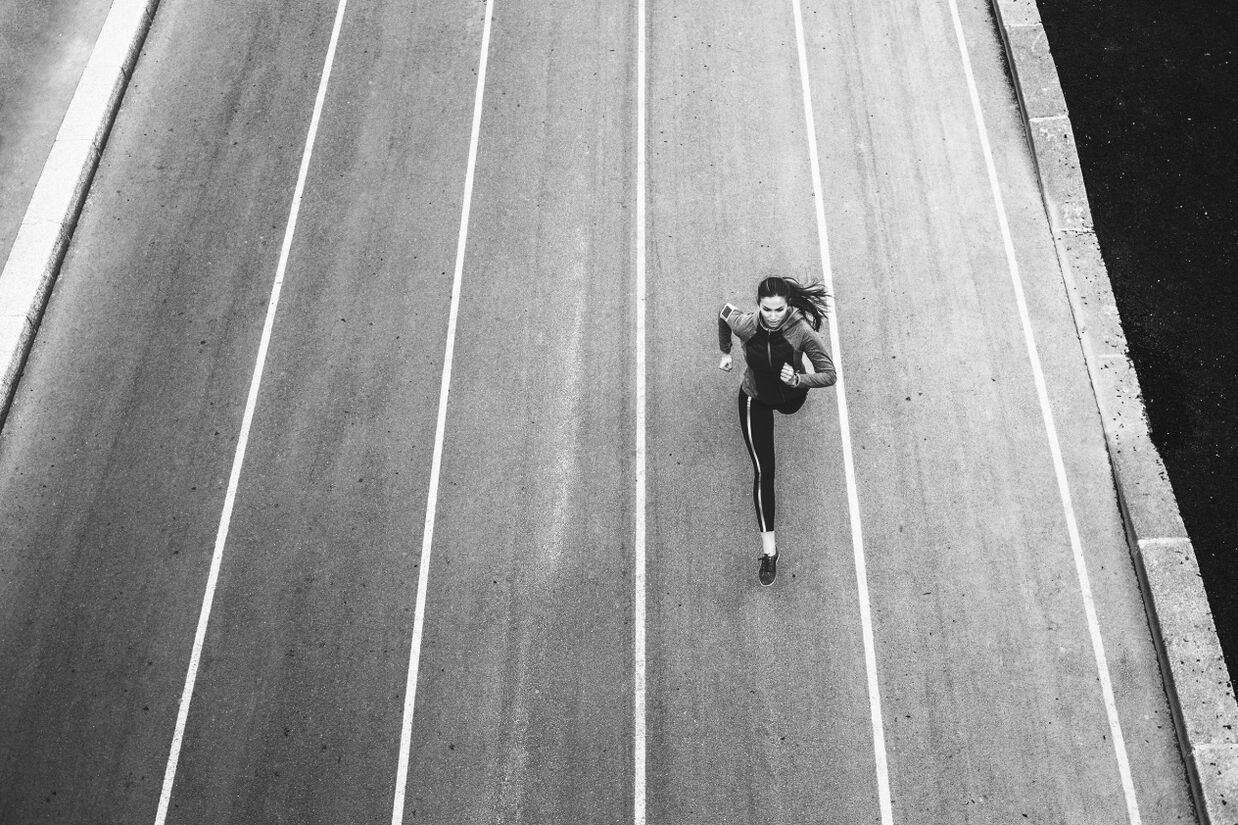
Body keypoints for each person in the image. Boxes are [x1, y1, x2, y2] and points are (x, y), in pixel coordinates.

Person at [718, 276, 836, 585]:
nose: (772, 316)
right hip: (754, 396)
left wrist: (798, 380)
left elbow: (829, 374)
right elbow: (723, 313)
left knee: (790, 408)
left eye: (779, 310)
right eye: (767, 309)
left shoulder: (801, 331)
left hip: (789, 397)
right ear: (758, 305)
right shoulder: (746, 324)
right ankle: (769, 553)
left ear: (788, 306)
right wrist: (726, 351)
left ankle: (790, 392)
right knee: (763, 471)